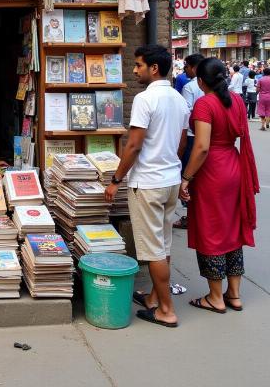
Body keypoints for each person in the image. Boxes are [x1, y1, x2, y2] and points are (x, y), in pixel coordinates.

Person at [105, 45, 189, 328]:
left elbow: (134, 145)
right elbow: (181, 143)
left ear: (154, 68)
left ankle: (166, 309)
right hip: (170, 180)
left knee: (152, 249)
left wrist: (116, 180)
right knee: (163, 243)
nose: (134, 70)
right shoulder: (179, 99)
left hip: (149, 183)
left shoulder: (144, 99)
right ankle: (154, 297)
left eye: (139, 65)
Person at [180, 58, 259, 313]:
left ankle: (215, 297)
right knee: (232, 230)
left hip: (211, 172)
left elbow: (201, 147)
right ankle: (233, 294)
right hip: (233, 167)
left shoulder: (205, 104)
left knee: (210, 230)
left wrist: (186, 178)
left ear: (201, 81)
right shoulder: (236, 100)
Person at [173, 53, 204, 230]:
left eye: (187, 67)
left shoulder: (190, 87)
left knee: (189, 176)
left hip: (192, 136)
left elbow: (186, 113)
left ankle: (190, 215)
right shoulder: (217, 89)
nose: (185, 70)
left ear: (193, 67)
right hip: (207, 138)